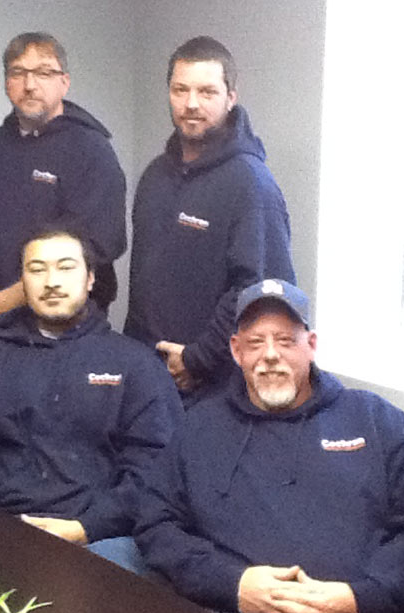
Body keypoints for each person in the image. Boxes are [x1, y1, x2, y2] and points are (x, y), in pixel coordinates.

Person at [134, 279, 404, 613]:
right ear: (236, 351)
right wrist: (234, 585)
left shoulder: (377, 421)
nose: (270, 355)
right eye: (255, 343)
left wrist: (359, 600)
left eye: (286, 341)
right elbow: (156, 524)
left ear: (312, 346)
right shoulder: (199, 428)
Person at [0, 229, 183, 571]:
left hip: (100, 540)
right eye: (37, 270)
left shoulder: (135, 365)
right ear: (23, 282)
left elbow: (156, 468)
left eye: (66, 267)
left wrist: (87, 528)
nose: (51, 281)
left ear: (90, 278)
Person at [124, 36, 295, 403]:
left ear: (231, 97)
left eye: (207, 92)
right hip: (149, 382)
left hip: (214, 390)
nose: (191, 104)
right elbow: (144, 286)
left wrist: (197, 359)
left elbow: (257, 293)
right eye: (180, 90)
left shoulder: (251, 184)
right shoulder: (155, 176)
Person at [0, 32, 126, 330]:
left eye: (44, 72)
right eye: (18, 73)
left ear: (65, 82)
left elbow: (96, 243)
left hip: (69, 329)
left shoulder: (92, 151)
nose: (30, 85)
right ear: (7, 82)